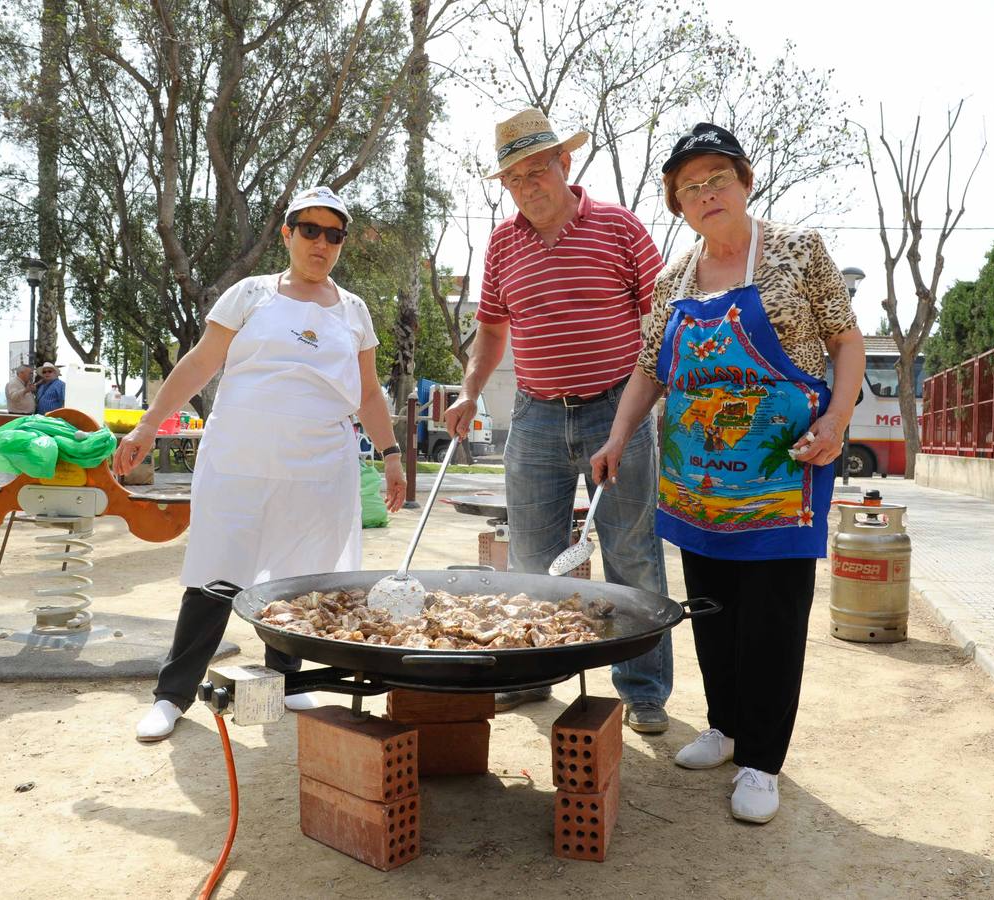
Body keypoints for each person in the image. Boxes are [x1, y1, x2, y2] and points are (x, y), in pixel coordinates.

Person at [591, 123, 865, 824]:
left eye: (717, 178)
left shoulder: (799, 252)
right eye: (690, 186)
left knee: (771, 615)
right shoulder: (672, 279)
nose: (706, 193)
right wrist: (619, 436)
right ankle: (723, 725)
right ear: (677, 204)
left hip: (781, 472)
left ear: (745, 182)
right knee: (711, 609)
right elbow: (651, 370)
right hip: (697, 478)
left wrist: (836, 421)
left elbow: (845, 339)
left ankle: (762, 760)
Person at [113, 185, 407, 742]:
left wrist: (390, 453)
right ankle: (173, 696)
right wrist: (149, 424)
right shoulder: (251, 294)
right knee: (216, 572)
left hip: (321, 464)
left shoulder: (354, 310)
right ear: (288, 234)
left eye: (334, 235)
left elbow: (368, 393)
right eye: (311, 230)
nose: (322, 243)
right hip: (240, 457)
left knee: (300, 581)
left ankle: (289, 681)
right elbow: (202, 362)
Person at [443, 107, 673, 733]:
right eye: (514, 177)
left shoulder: (622, 229)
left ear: (564, 164)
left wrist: (635, 419)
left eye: (537, 169)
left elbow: (660, 329)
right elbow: (492, 330)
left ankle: (645, 689)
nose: (528, 185)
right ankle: (534, 672)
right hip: (536, 416)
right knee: (530, 553)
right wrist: (469, 392)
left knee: (632, 551)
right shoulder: (502, 243)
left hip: (615, 410)